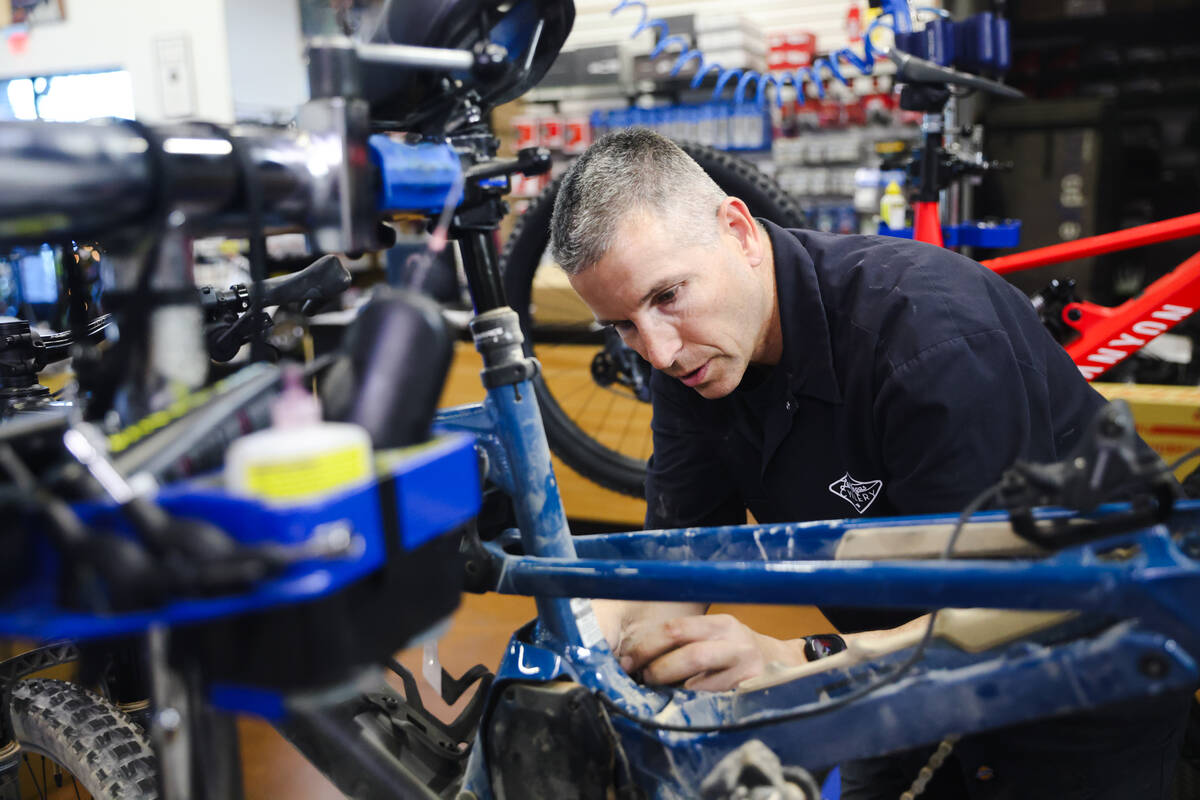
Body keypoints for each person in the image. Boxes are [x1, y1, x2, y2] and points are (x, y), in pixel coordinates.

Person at [548, 127, 1190, 799]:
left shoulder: (931, 341)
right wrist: (590, 642)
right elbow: (671, 562)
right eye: (621, 324)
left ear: (737, 230)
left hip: (1075, 680)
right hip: (891, 671)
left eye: (667, 296)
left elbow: (1009, 611)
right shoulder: (697, 363)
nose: (657, 351)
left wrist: (797, 658)